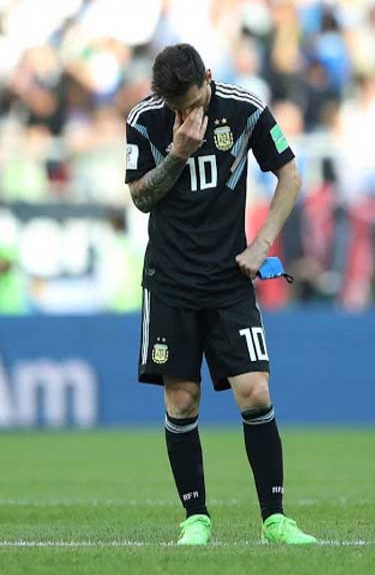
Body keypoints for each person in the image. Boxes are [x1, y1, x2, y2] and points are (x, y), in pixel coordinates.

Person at [124, 44, 314, 546]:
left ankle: (274, 518)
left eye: (190, 102)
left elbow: (290, 175)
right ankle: (196, 519)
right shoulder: (145, 119)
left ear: (208, 78)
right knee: (182, 399)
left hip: (228, 278)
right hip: (170, 280)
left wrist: (262, 244)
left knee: (256, 389)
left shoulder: (245, 110)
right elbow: (140, 197)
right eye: (175, 107)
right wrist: (177, 154)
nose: (183, 115)